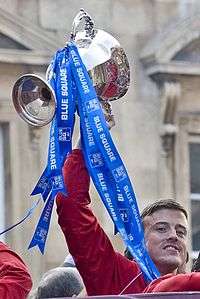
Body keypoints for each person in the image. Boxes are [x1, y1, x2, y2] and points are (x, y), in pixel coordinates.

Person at [56, 144, 189, 296]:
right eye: (161, 228)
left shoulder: (192, 286)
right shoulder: (113, 272)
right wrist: (85, 142)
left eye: (181, 232)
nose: (174, 236)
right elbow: (70, 205)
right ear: (139, 240)